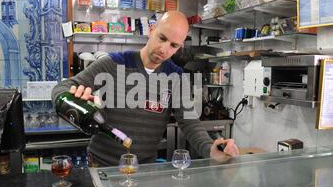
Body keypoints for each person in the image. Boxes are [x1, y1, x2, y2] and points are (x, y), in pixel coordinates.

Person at [52, 11, 239, 166]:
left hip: (143, 168)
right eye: (162, 38)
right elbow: (62, 88)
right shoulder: (113, 63)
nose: (164, 49)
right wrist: (70, 97)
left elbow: (190, 123)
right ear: (152, 30)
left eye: (173, 46)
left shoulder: (177, 78)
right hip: (102, 165)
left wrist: (210, 148)